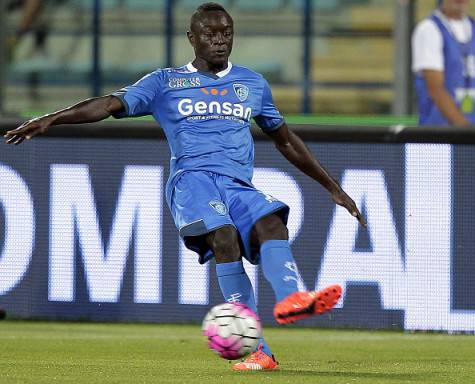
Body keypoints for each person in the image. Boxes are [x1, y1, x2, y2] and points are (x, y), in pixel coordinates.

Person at [4, 2, 366, 371]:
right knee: (224, 237)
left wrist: (332, 187)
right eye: (210, 34)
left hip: (237, 184)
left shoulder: (252, 83)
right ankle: (260, 348)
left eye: (226, 33)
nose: (219, 41)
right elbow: (109, 104)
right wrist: (51, 119)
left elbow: (285, 140)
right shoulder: (165, 82)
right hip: (192, 181)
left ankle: (293, 299)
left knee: (271, 223)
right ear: (192, 38)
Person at [413, 0, 475, 126]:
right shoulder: (429, 29)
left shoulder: (472, 27)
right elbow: (435, 89)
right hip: (437, 135)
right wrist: (466, 130)